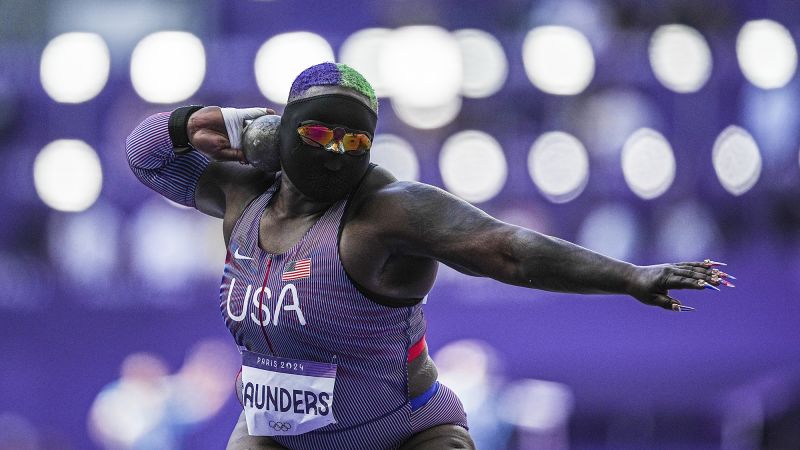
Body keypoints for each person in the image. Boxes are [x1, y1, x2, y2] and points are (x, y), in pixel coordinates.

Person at [126, 62, 733, 449]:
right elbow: (144, 153)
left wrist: (629, 276)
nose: (337, 153)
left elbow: (508, 249)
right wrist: (215, 122)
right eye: (317, 134)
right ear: (277, 132)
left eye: (355, 140)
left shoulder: (389, 210)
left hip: (405, 436)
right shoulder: (242, 197)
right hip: (275, 437)